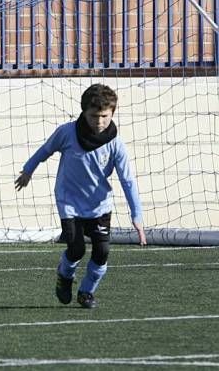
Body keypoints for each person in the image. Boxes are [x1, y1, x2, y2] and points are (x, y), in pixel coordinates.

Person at [15, 84, 146, 308]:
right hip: (69, 202)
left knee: (102, 251)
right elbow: (45, 150)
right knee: (76, 249)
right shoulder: (66, 132)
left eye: (105, 116)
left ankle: (86, 292)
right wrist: (28, 170)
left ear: (112, 113)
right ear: (84, 112)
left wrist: (137, 215)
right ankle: (64, 276)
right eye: (94, 116)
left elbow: (128, 180)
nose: (100, 121)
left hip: (99, 205)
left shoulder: (116, 143)